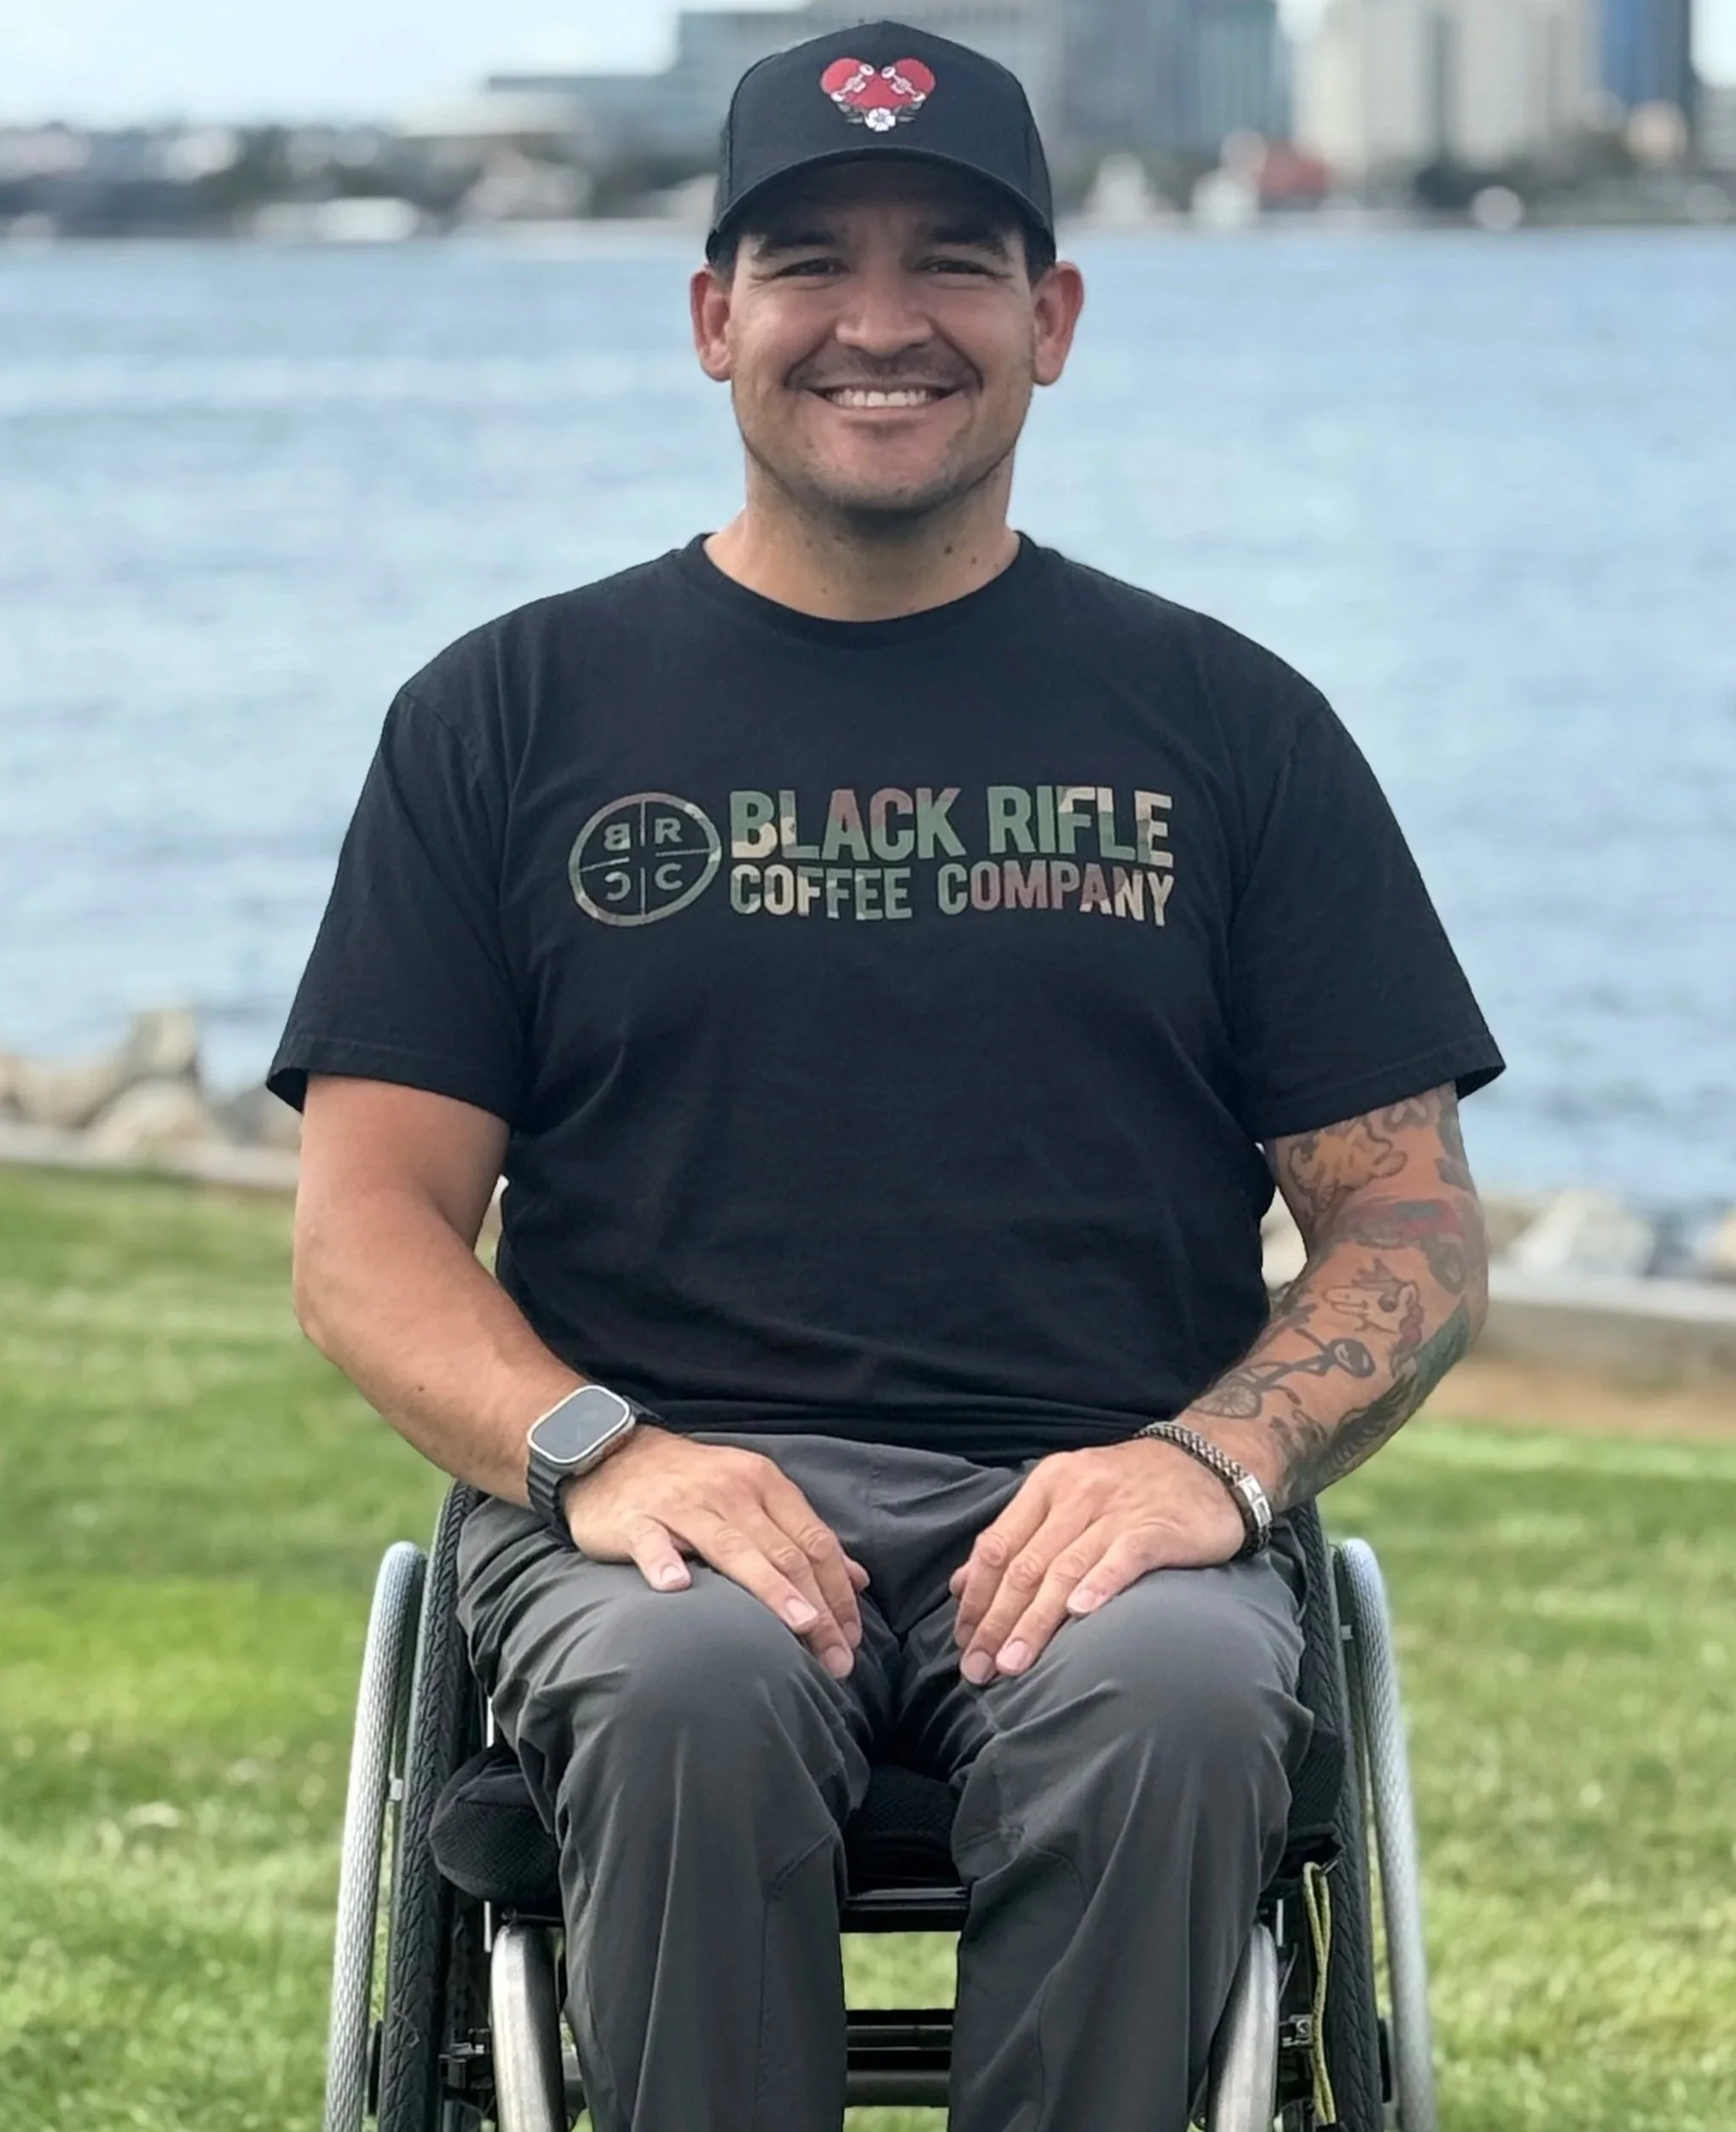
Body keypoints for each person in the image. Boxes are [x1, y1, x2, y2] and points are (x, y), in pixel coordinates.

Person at [271, 21, 1502, 2130]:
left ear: (1049, 320)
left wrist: (1204, 1466)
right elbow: (367, 1233)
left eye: (947, 260)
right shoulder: (507, 713)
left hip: (1107, 1494)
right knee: (682, 1685)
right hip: (642, 1500)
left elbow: (1405, 1220)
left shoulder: (1228, 725)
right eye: (806, 259)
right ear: (709, 320)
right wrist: (601, 1450)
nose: (877, 320)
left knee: (1185, 1693)